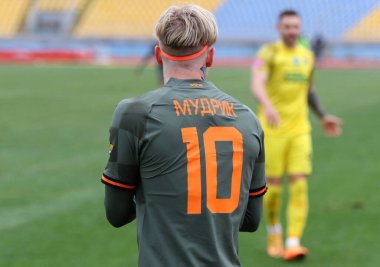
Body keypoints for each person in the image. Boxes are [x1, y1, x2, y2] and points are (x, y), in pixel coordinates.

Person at [101, 4, 267, 267]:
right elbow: (251, 219)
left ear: (158, 55)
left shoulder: (134, 113)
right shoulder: (248, 118)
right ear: (210, 57)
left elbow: (117, 213)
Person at [251, 10, 342, 261]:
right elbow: (257, 83)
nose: (292, 30)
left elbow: (308, 90)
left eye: (296, 26)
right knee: (274, 191)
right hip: (273, 130)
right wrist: (267, 105)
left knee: (300, 184)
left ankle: (293, 241)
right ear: (279, 28)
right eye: (288, 26)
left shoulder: (307, 55)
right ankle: (273, 230)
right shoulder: (268, 53)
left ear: (300, 28)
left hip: (300, 130)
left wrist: (323, 116)